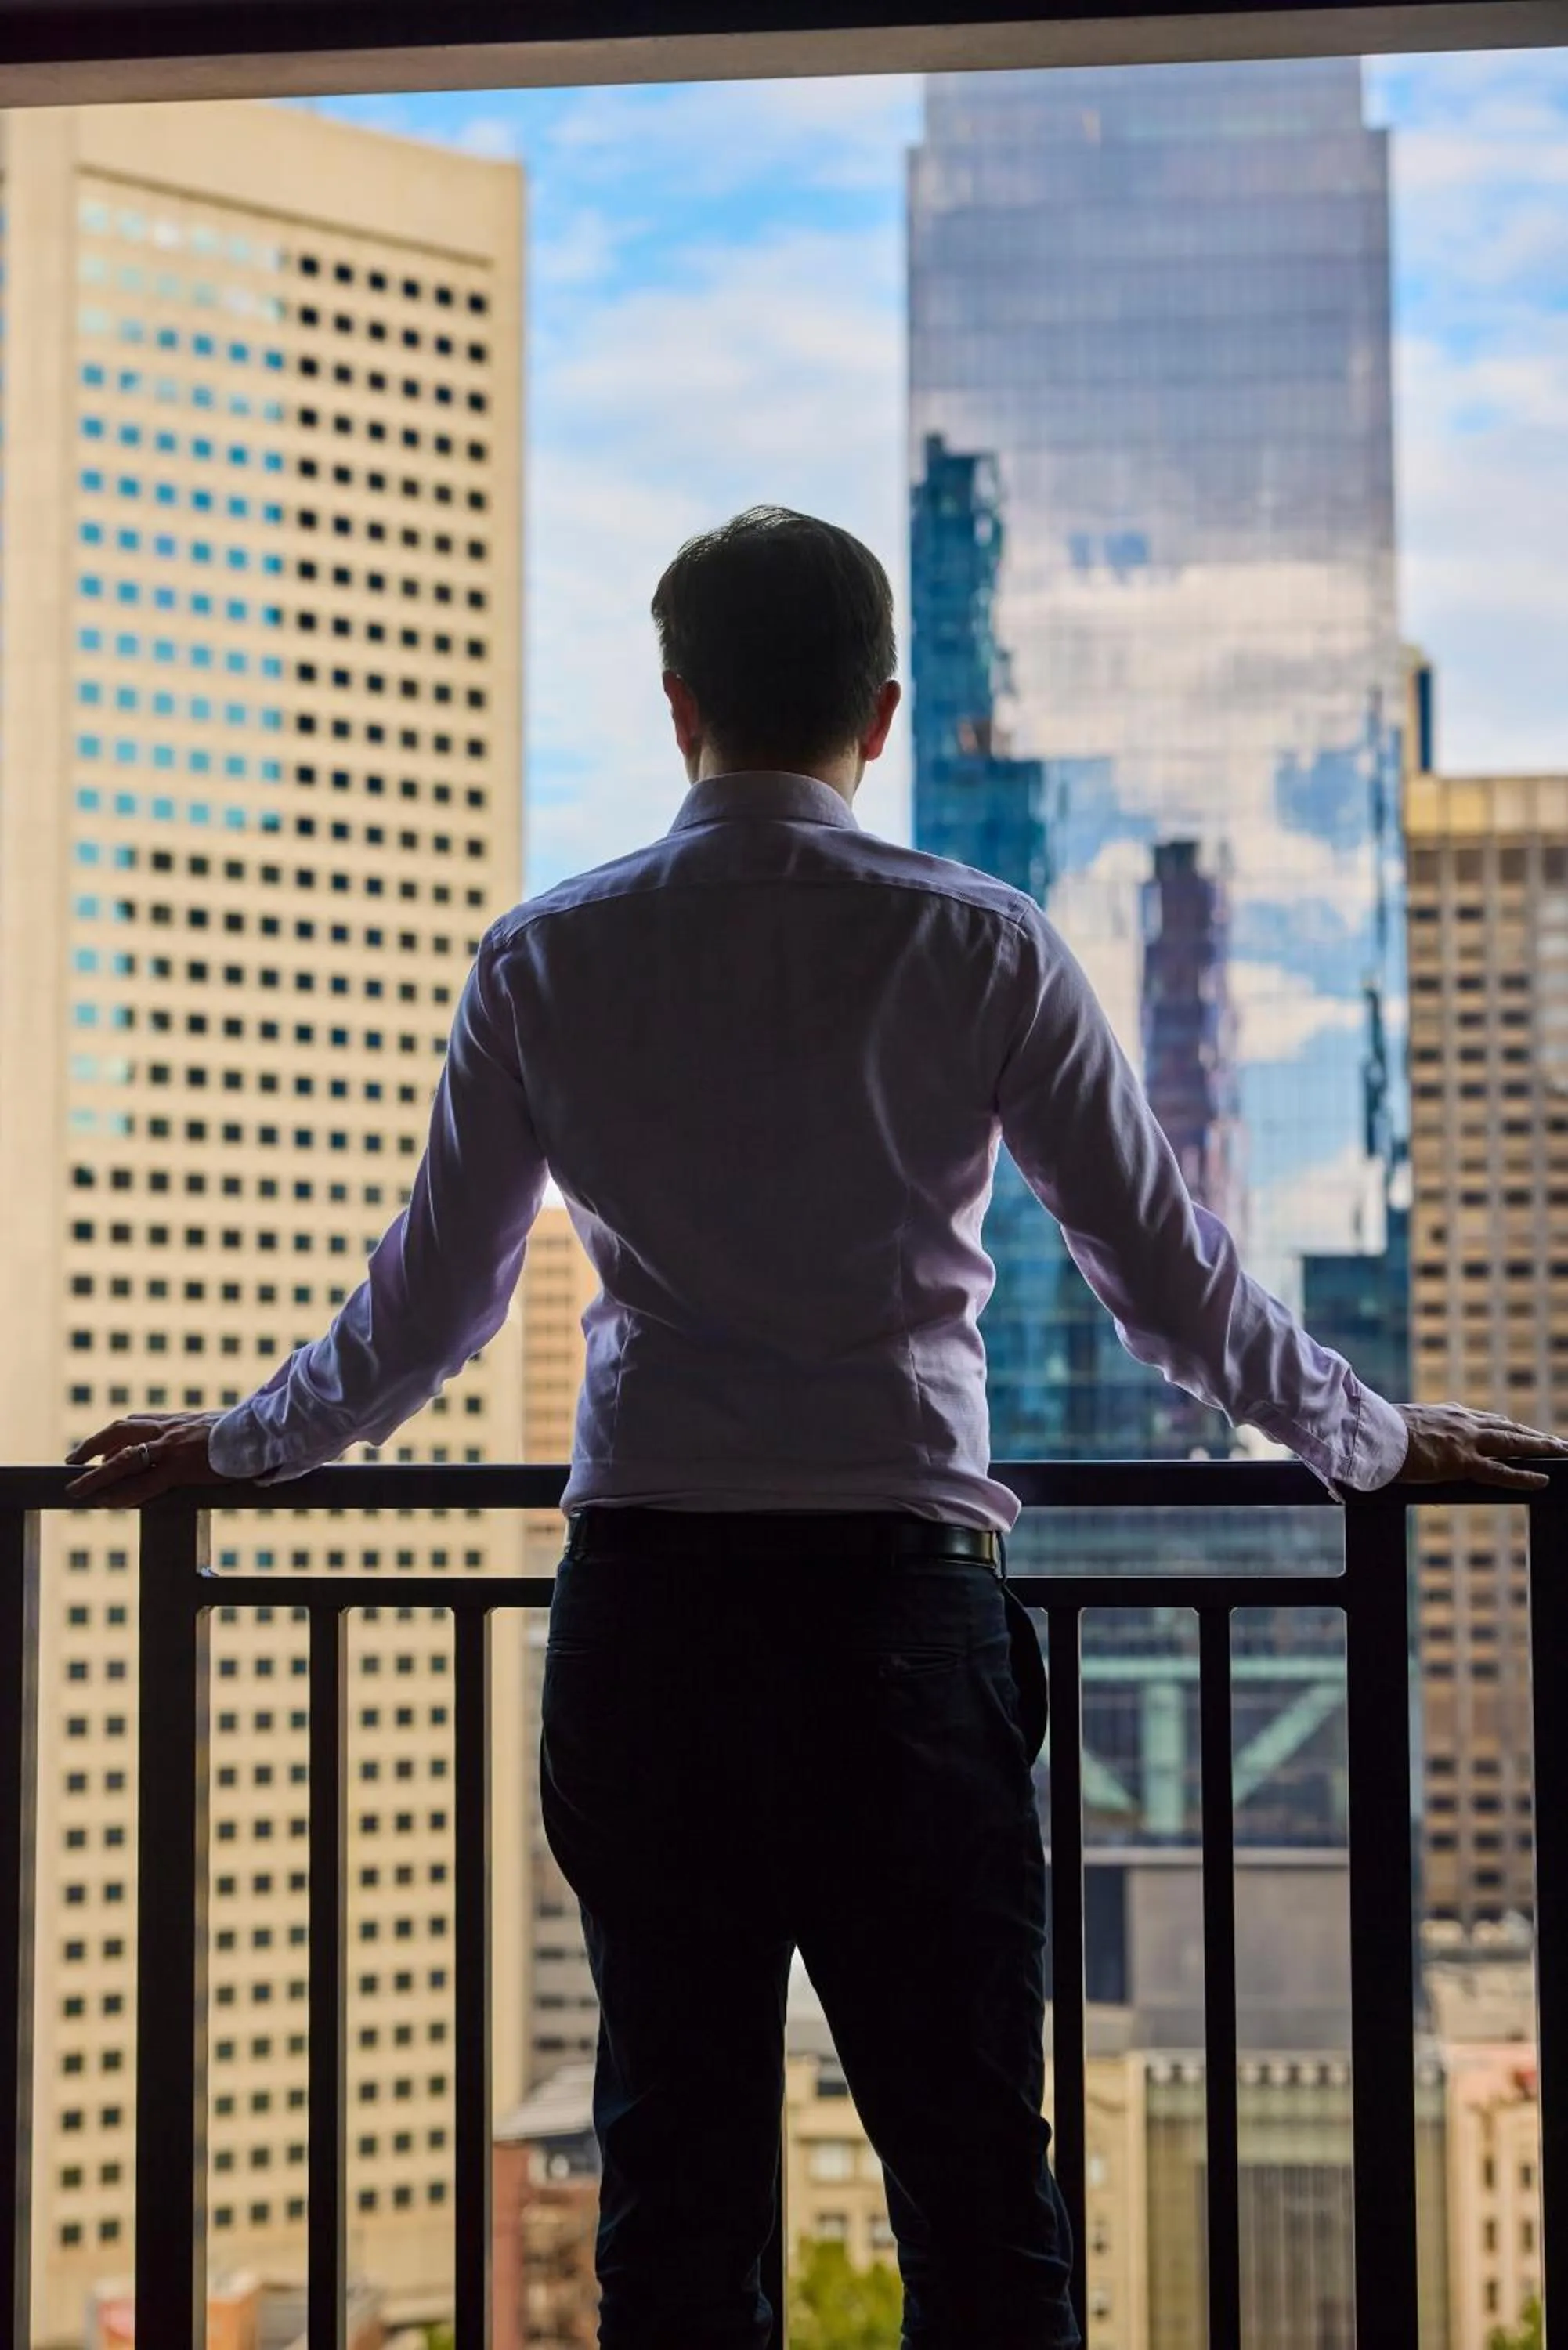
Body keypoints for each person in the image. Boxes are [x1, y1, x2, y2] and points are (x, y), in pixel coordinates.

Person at [66, 506, 1568, 2349]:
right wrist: (1364, 1440)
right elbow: (1164, 1284)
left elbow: (430, 1312)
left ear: (676, 701)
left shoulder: (545, 957)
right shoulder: (979, 943)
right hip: (896, 1626)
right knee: (972, 2199)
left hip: (650, 1627)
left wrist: (233, 1447)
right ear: (877, 713)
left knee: (673, 2198)